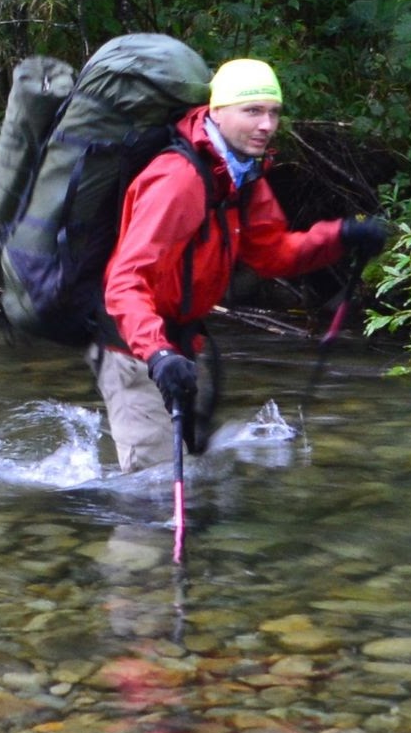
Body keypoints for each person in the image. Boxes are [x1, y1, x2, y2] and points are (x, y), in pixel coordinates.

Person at [94, 56, 388, 471]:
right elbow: (125, 282)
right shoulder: (178, 181)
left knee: (194, 478)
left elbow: (272, 254)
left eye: (274, 112)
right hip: (134, 350)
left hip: (181, 344)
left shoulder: (241, 176)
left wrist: (340, 236)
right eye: (252, 111)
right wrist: (157, 354)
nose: (266, 124)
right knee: (154, 492)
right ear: (216, 111)